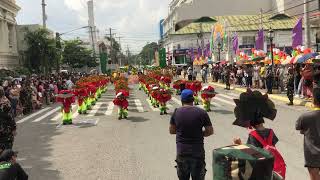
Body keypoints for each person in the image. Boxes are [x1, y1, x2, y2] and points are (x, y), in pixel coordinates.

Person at [170, 89, 213, 180]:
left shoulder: (176, 112)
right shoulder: (202, 112)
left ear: (181, 100)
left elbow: (171, 130)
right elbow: (210, 131)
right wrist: (200, 134)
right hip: (198, 152)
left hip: (182, 151)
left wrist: (182, 132)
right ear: (193, 100)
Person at [296, 88, 320, 180]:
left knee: (314, 177)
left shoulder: (305, 117)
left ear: (313, 100)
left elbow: (298, 127)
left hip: (312, 153)